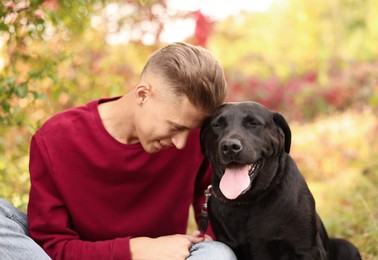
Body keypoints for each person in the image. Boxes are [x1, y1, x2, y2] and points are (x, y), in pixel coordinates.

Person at [0, 42, 237, 260]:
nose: (181, 143)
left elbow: (215, 222)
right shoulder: (55, 138)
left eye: (191, 130)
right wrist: (136, 249)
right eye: (175, 128)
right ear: (143, 95)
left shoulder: (198, 138)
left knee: (218, 253)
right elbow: (52, 247)